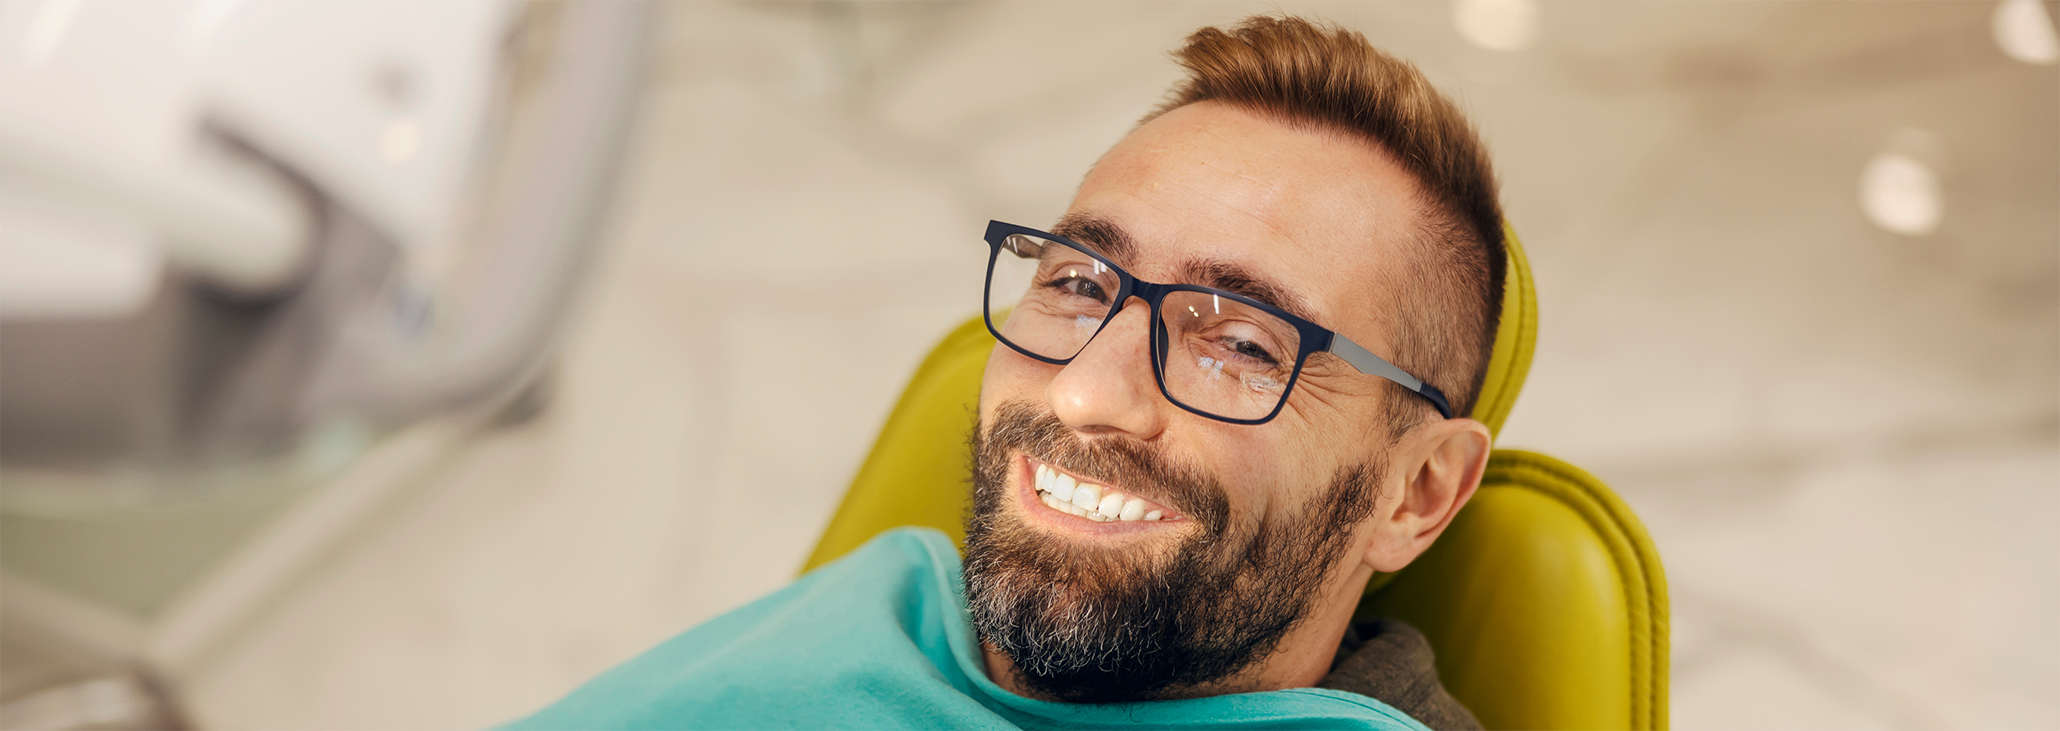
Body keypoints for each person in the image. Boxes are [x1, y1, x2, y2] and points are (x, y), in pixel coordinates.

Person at [496, 14, 1505, 731]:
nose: (1083, 390)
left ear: (1415, 491)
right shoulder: (874, 610)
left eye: (1241, 343)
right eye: (1075, 281)